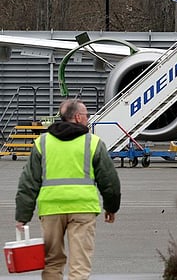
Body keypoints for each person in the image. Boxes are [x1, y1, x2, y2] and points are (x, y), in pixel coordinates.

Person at [15, 99, 121, 280]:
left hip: (51, 210)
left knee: (52, 262)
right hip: (83, 209)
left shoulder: (42, 142)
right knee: (80, 264)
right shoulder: (93, 142)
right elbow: (109, 181)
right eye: (86, 115)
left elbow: (28, 181)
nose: (88, 118)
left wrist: (22, 216)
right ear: (78, 117)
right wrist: (111, 207)